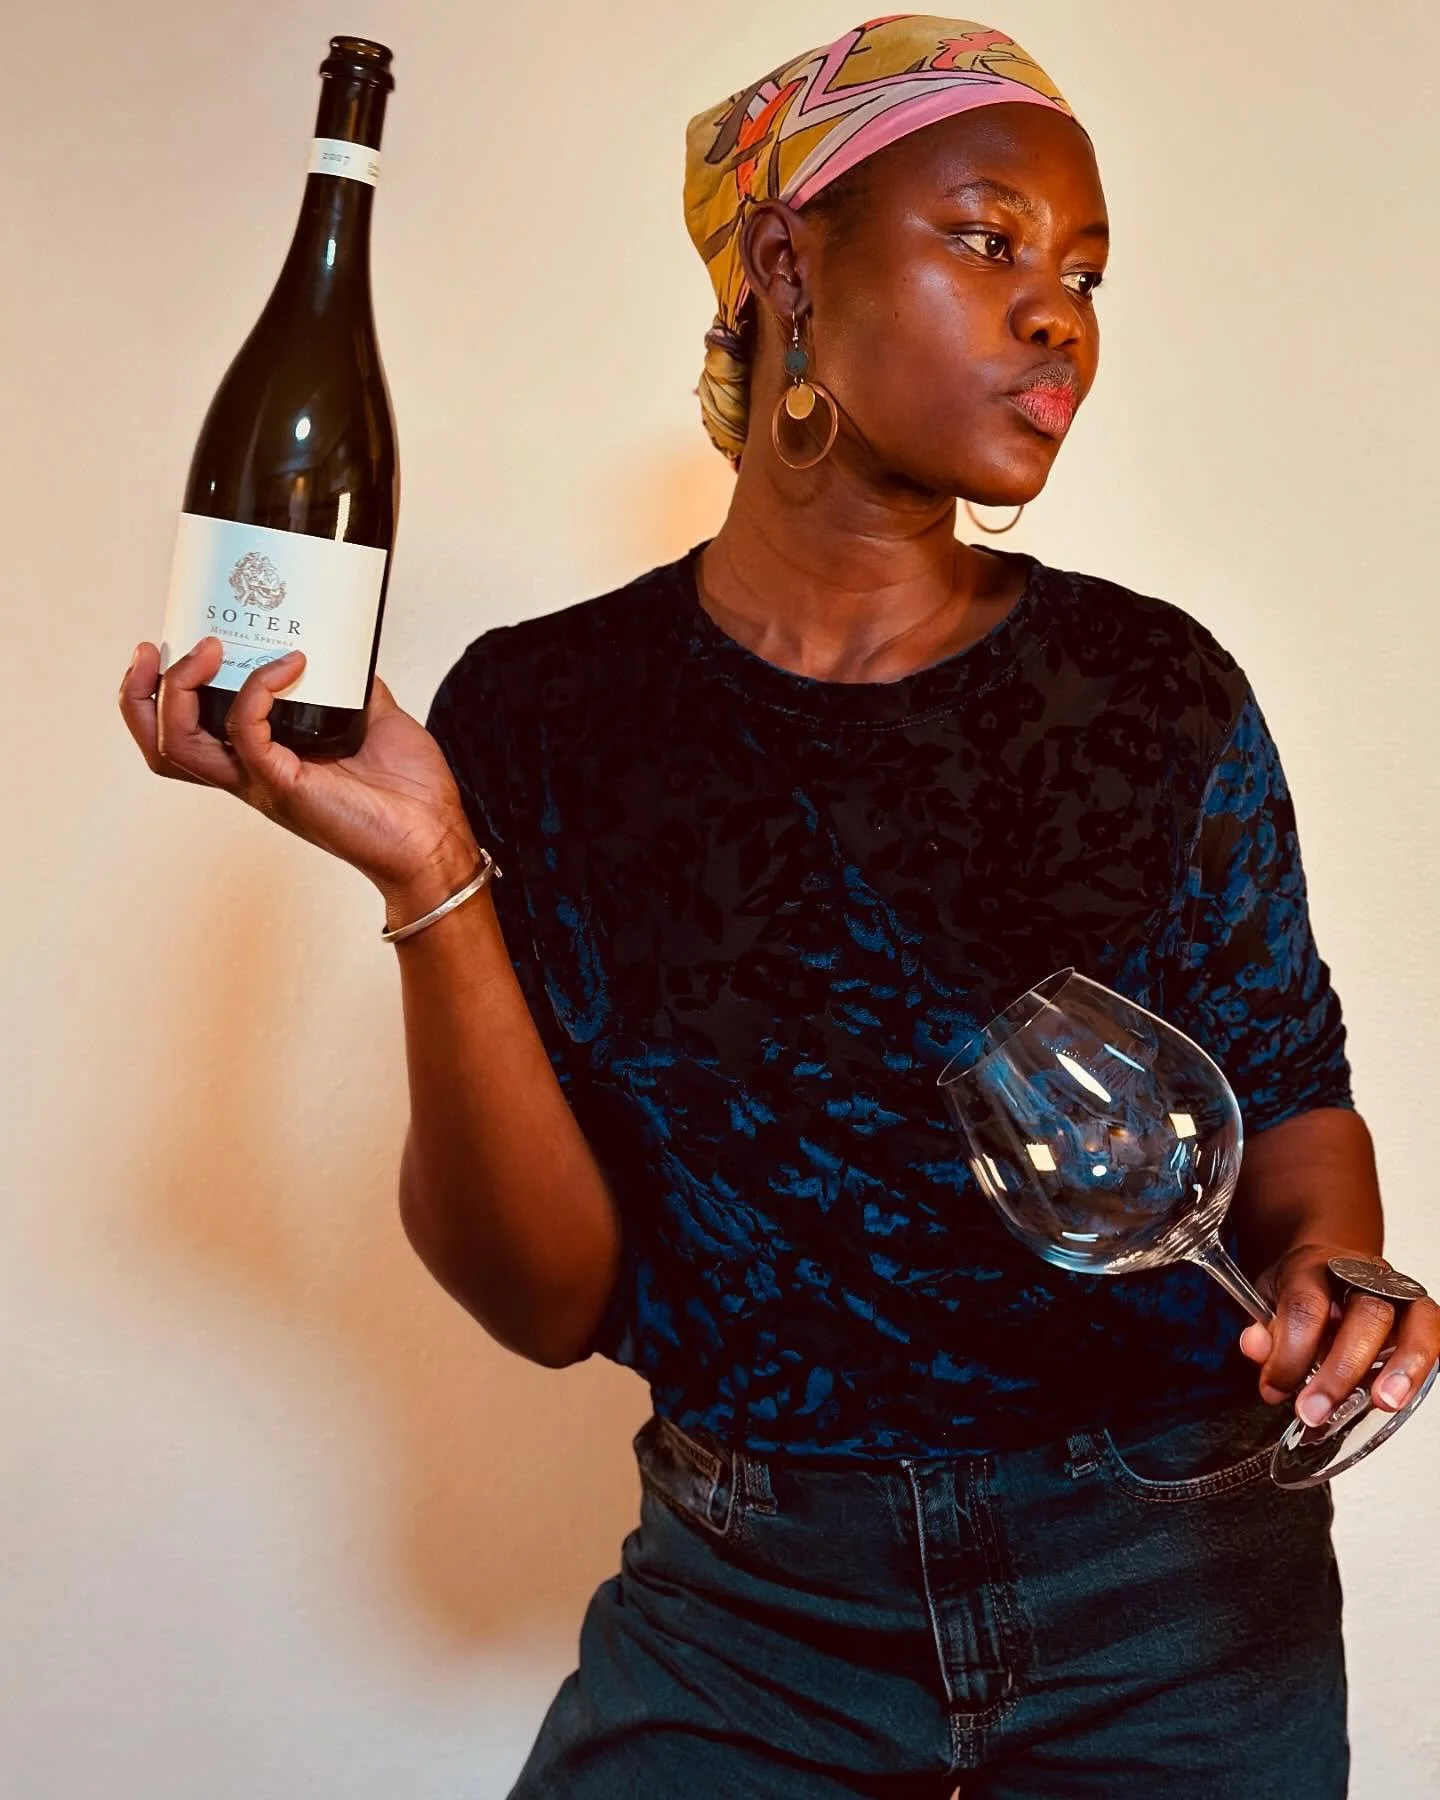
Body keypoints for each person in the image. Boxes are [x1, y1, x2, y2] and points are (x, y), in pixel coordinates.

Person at [119, 16, 1440, 1797]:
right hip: (748, 1614)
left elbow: (1286, 1103)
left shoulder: (1154, 689)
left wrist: (1331, 1271)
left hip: (1174, 1596)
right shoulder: (545, 715)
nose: (1058, 313)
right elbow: (549, 1300)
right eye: (988, 237)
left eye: (1083, 273)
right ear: (786, 265)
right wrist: (430, 875)